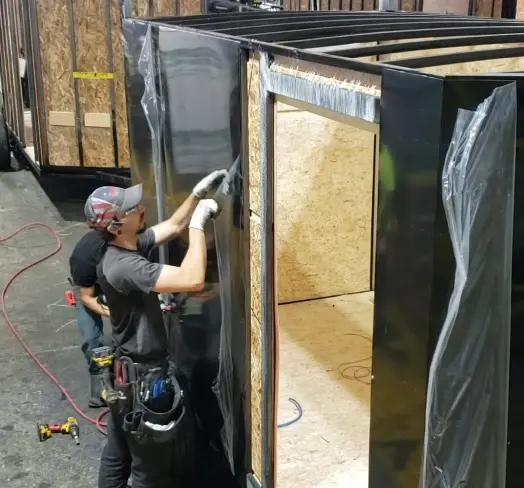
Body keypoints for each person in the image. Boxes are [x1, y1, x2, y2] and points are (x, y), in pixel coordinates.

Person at [83, 170, 227, 488]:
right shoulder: (124, 266)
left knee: (118, 453)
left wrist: (198, 194)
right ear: (117, 225)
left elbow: (173, 226)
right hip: (143, 379)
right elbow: (192, 279)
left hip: (125, 375)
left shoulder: (124, 247)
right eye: (133, 208)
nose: (141, 208)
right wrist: (198, 226)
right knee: (152, 469)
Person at [69, 224, 110, 408]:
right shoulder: (84, 257)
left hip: (121, 276)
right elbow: (86, 297)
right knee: (91, 338)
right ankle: (99, 378)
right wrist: (112, 313)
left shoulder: (134, 242)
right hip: (89, 285)